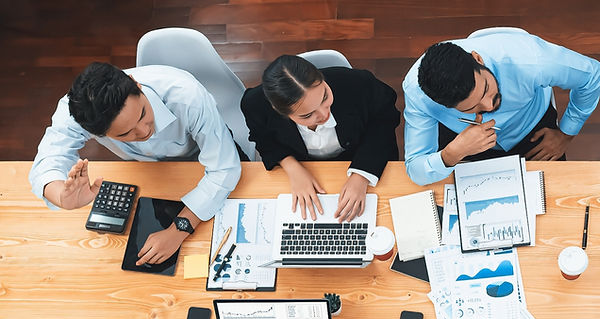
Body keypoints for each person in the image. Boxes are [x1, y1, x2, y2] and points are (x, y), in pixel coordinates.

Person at [29, 62, 242, 266]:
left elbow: (224, 169)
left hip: (198, 159)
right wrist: (60, 196)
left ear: (136, 85)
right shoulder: (77, 111)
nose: (143, 131)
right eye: (125, 133)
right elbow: (49, 158)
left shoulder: (187, 95)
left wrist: (179, 229)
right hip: (146, 172)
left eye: (142, 114)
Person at [402, 31, 600, 185]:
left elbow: (592, 76)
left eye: (486, 89)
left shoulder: (532, 59)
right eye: (472, 108)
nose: (490, 107)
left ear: (478, 59)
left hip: (531, 126)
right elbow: (415, 167)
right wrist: (451, 154)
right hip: (463, 138)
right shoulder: (418, 94)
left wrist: (566, 133)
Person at [241, 55, 400, 221]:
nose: (324, 114)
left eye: (325, 97)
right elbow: (263, 139)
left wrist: (362, 174)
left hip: (362, 155)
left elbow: (384, 120)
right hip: (303, 164)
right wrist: (292, 167)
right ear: (278, 110)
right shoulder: (255, 105)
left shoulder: (358, 83)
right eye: (308, 114)